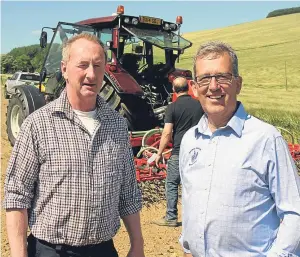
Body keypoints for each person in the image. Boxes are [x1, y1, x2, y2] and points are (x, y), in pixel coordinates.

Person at [4, 33, 145, 257]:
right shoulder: (37, 124)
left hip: (103, 250)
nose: (91, 74)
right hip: (50, 251)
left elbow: (128, 193)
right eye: (83, 65)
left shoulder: (117, 125)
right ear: (64, 69)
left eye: (98, 66)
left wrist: (137, 245)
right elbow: (17, 195)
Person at [179, 41, 300, 257]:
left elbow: (295, 212)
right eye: (205, 78)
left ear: (238, 84)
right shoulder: (190, 140)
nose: (214, 86)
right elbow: (189, 200)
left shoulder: (265, 139)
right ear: (195, 88)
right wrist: (187, 246)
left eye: (222, 77)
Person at [152, 77, 204, 227]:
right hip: (197, 152)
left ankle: (171, 217)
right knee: (195, 185)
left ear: (174, 90)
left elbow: (167, 133)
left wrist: (159, 152)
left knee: (172, 183)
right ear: (188, 87)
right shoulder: (199, 105)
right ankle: (196, 218)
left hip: (179, 151)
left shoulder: (172, 107)